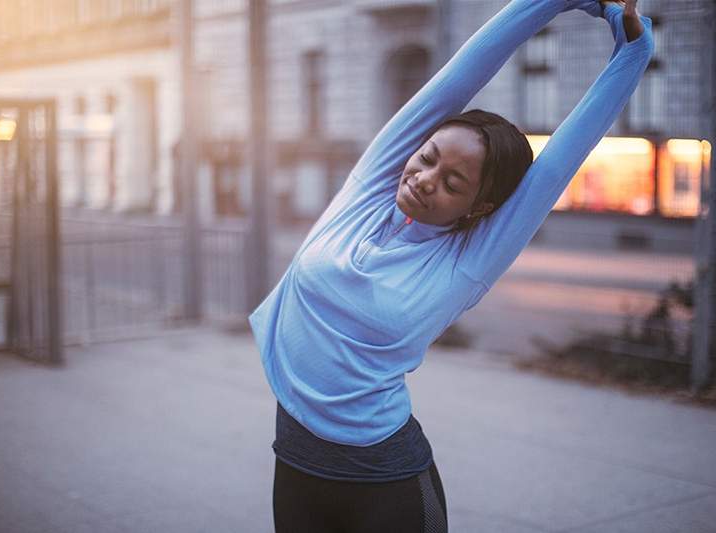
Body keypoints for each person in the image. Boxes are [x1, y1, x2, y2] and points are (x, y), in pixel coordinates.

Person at [248, 1, 654, 531]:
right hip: (296, 461)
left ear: (478, 209)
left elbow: (561, 160)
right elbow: (458, 76)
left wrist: (634, 52)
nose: (425, 177)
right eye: (428, 157)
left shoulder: (465, 262)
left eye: (454, 184)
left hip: (382, 484)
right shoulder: (367, 193)